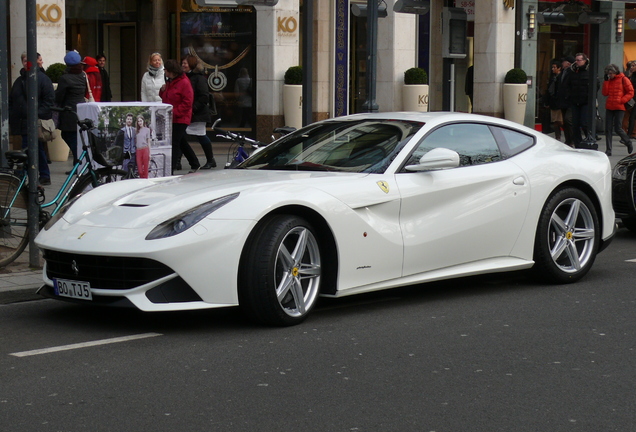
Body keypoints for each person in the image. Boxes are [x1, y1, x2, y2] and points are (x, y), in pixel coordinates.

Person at [8, 52, 54, 185]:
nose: (26, 63)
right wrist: (12, 115)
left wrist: (36, 114)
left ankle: (22, 175)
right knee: (34, 149)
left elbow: (49, 101)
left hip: (34, 122)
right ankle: (43, 175)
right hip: (22, 122)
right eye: (24, 60)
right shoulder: (19, 80)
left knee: (28, 149)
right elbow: (12, 100)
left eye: (28, 60)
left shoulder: (42, 79)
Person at [159, 59, 199, 173]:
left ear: (171, 71)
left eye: (166, 70)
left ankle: (170, 168)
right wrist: (162, 91)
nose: (165, 72)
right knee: (181, 141)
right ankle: (195, 163)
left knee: (175, 141)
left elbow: (187, 102)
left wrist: (174, 112)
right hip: (172, 117)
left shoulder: (184, 82)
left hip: (180, 117)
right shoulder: (171, 81)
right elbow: (167, 96)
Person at [181, 55, 216, 169]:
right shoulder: (184, 77)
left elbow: (204, 96)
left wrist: (194, 108)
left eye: (185, 63)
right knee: (181, 136)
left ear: (191, 64)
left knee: (200, 135)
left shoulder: (199, 78)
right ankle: (177, 161)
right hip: (187, 112)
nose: (183, 65)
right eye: (182, 63)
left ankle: (210, 160)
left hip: (198, 113)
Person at [55, 50, 88, 165]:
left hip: (69, 111)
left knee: (67, 135)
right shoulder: (82, 75)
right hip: (81, 109)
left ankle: (78, 160)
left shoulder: (65, 78)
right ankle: (76, 162)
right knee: (76, 136)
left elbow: (59, 96)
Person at [602, 64, 634, 156]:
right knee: (607, 129)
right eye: (608, 73)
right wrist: (606, 81)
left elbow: (631, 92)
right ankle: (608, 149)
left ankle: (628, 142)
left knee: (618, 128)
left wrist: (622, 100)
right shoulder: (609, 80)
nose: (610, 75)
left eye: (611, 73)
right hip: (610, 106)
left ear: (615, 72)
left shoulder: (623, 79)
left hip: (619, 106)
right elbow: (605, 93)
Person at [566, 53, 591, 147]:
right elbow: (567, 85)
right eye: (576, 60)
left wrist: (589, 96)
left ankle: (589, 138)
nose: (577, 62)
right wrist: (569, 96)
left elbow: (595, 85)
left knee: (584, 123)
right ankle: (578, 144)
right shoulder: (572, 71)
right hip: (574, 101)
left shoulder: (589, 71)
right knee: (575, 124)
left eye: (579, 60)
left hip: (585, 101)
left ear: (584, 61)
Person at [543, 59, 563, 141]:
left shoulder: (561, 78)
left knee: (560, 121)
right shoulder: (552, 78)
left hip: (559, 103)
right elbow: (549, 91)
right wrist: (547, 102)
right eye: (552, 67)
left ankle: (566, 137)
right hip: (553, 103)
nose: (553, 69)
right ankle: (557, 137)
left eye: (554, 67)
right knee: (555, 122)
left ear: (559, 68)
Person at [558, 55, 575, 146]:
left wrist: (568, 95)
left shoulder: (572, 72)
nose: (562, 63)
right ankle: (568, 140)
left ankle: (572, 139)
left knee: (568, 119)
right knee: (565, 122)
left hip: (570, 101)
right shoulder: (563, 72)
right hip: (563, 101)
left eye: (564, 62)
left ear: (568, 63)